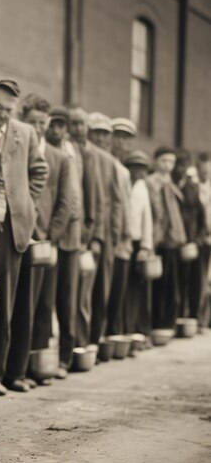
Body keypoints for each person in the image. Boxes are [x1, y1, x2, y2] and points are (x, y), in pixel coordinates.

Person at [0, 79, 47, 396]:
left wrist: (25, 204)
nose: (2, 114)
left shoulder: (24, 133)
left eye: (8, 109)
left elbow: (39, 171)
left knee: (5, 307)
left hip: (13, 228)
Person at [27, 98, 75, 385]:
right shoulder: (18, 148)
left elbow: (65, 204)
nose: (37, 128)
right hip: (19, 239)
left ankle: (39, 364)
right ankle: (15, 366)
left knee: (44, 304)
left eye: (41, 124)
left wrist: (49, 237)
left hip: (44, 242)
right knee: (19, 306)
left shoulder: (59, 159)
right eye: (33, 122)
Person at [86, 112, 123, 346]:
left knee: (101, 288)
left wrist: (115, 234)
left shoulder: (110, 162)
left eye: (105, 134)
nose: (101, 138)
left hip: (106, 232)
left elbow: (116, 202)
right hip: (87, 229)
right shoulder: (82, 153)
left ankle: (94, 339)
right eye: (97, 132)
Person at [67, 106, 101, 349]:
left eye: (82, 123)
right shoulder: (65, 148)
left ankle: (79, 342)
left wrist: (92, 232)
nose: (78, 128)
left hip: (82, 232)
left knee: (81, 294)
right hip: (62, 230)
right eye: (74, 123)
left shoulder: (91, 155)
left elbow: (94, 196)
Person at [146, 146, 185, 329]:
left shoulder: (171, 183)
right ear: (156, 161)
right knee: (157, 287)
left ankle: (167, 323)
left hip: (172, 241)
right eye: (164, 161)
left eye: (171, 162)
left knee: (171, 285)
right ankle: (156, 323)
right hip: (158, 240)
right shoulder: (151, 182)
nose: (167, 165)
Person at [106, 117, 135, 337]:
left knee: (118, 287)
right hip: (109, 234)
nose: (122, 143)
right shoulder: (107, 163)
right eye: (119, 137)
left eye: (126, 139)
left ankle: (114, 332)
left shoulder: (124, 169)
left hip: (122, 235)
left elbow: (125, 204)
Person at [173, 148, 207, 320]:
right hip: (173, 244)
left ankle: (193, 317)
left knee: (194, 282)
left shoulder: (192, 189)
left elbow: (203, 221)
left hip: (191, 245)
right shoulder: (169, 187)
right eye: (178, 165)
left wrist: (197, 241)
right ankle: (175, 317)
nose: (181, 169)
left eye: (184, 165)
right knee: (174, 284)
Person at [122, 150, 153, 336]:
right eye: (134, 168)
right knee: (121, 285)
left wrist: (145, 246)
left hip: (137, 242)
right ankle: (122, 327)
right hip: (122, 241)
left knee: (135, 286)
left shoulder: (142, 188)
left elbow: (146, 218)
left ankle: (133, 328)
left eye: (142, 169)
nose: (138, 173)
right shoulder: (122, 183)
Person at [195, 152, 211, 328]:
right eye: (203, 170)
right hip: (200, 240)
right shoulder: (193, 187)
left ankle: (205, 318)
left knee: (208, 279)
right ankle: (197, 316)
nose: (205, 173)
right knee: (199, 279)